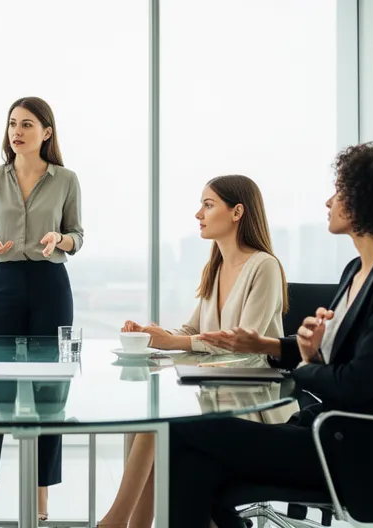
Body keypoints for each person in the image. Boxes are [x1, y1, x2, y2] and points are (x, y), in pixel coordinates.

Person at [168, 142, 373, 527]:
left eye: (340, 192)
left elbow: (356, 384)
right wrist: (269, 345)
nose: (329, 201)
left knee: (180, 434)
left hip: (351, 448)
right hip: (319, 429)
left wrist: (306, 365)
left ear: (369, 199)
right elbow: (337, 358)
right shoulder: (357, 270)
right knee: (193, 466)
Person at [98, 175, 289, 528]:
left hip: (250, 402)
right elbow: (192, 332)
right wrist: (155, 336)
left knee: (156, 423)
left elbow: (245, 347)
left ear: (237, 212)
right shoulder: (215, 266)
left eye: (208, 204)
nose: (198, 213)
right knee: (143, 419)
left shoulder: (264, 266)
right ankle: (133, 524)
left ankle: (114, 522)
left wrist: (177, 344)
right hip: (212, 395)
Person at [0, 96, 84, 525]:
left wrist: (59, 241)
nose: (17, 131)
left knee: (50, 397)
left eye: (27, 124)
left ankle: (41, 498)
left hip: (50, 285)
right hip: (4, 284)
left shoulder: (65, 179)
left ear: (46, 132)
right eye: (12, 123)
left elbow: (77, 234)